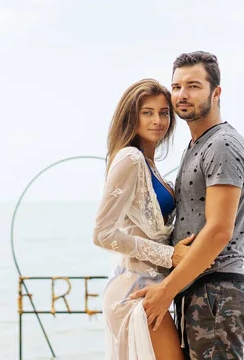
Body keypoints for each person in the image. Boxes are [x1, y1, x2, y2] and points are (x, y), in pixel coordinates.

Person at [131, 51, 244, 360]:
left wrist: (165, 291)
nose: (182, 95)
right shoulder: (196, 146)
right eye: (176, 86)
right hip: (196, 292)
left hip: (217, 293)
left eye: (194, 86)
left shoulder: (222, 145)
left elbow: (218, 232)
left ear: (216, 92)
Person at [93, 78, 197, 360]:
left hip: (154, 287)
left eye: (164, 112)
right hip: (134, 290)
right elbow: (102, 233)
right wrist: (170, 255)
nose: (158, 120)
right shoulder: (130, 159)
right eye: (147, 112)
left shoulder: (151, 166)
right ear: (132, 117)